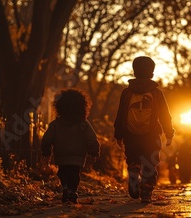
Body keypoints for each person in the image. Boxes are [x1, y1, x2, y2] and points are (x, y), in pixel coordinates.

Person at [114, 56, 174, 203]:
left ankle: (134, 170)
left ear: (134, 72)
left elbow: (121, 114)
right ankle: (146, 191)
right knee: (150, 163)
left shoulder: (127, 92)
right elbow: (164, 114)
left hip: (130, 135)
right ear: (152, 73)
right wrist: (169, 133)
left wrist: (118, 134)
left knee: (133, 159)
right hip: (151, 135)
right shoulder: (156, 93)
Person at [41, 88, 100, 204]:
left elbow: (46, 140)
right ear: (82, 106)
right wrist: (93, 152)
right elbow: (92, 138)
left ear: (60, 107)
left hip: (61, 156)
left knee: (62, 173)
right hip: (77, 157)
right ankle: (72, 190)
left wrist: (46, 152)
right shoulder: (83, 124)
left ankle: (66, 188)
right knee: (74, 174)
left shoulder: (55, 125)